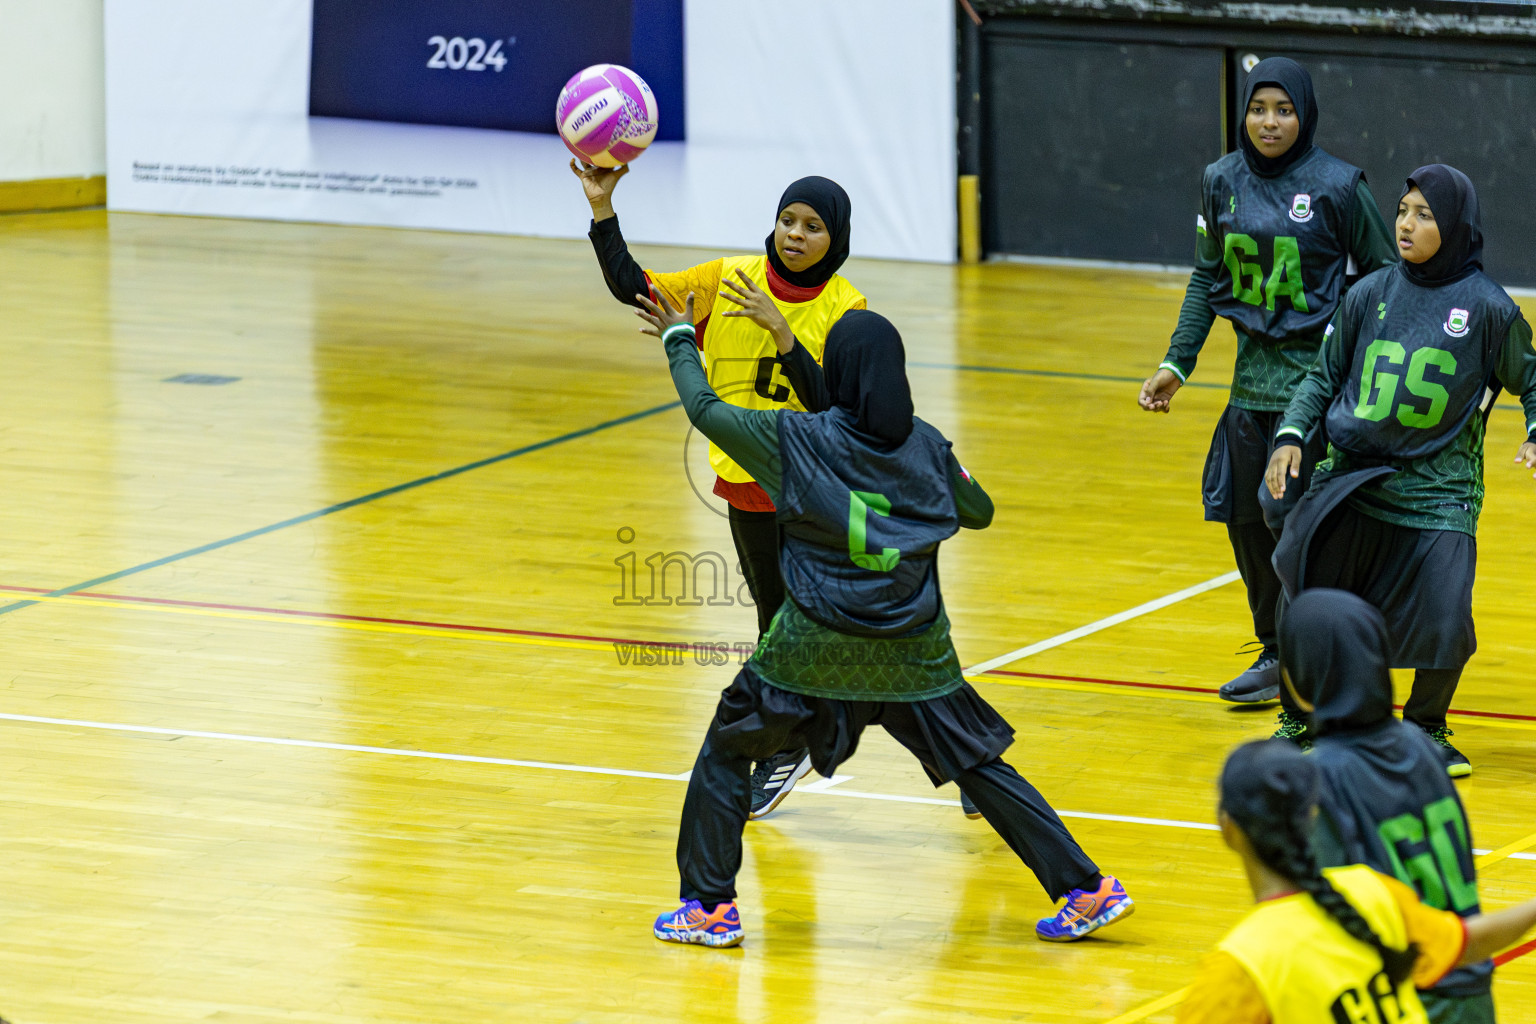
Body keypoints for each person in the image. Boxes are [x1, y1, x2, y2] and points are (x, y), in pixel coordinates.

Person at [635, 293, 1132, 948]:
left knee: (728, 751)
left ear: (836, 373)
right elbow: (977, 511)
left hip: (812, 651)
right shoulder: (927, 444)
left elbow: (704, 410)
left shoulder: (796, 439)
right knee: (980, 767)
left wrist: (678, 337)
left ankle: (707, 908)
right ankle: (1085, 888)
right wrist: (947, 464)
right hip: (913, 651)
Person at [576, 161, 865, 816]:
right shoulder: (724, 280)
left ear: (835, 238)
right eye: (787, 220)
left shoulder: (848, 310)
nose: (794, 234)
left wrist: (783, 333)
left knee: (831, 628)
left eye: (812, 226)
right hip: (744, 489)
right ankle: (810, 744)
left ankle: (937, 752)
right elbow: (635, 289)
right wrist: (602, 210)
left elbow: (839, 407)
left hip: (813, 490)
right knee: (780, 623)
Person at [1137, 57, 1397, 703]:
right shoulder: (1220, 179)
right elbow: (1207, 278)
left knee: (1301, 530)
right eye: (1259, 109)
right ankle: (1277, 651)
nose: (1270, 122)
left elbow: (1382, 275)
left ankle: (1324, 657)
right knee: (1244, 523)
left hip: (1317, 391)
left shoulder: (1339, 185)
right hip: (1248, 386)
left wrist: (1350, 356)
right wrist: (1177, 362)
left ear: (1304, 114)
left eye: (1283, 110)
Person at [1266, 164, 1536, 774]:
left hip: (1439, 492)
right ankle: (1300, 715)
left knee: (1446, 617)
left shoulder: (1490, 310)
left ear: (1457, 227)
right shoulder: (1369, 293)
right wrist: (1290, 436)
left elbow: (1534, 377)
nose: (1406, 224)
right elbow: (1323, 376)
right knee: (1305, 593)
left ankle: (1427, 727)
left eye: (1424, 215)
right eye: (1403, 211)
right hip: (1354, 478)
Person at [1177, 738, 1536, 1023]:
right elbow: (1470, 943)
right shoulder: (1374, 891)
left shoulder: (1239, 968)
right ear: (1313, 812)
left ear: (1228, 828)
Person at [1281, 589, 1494, 1022]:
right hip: (1469, 982)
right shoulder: (1423, 747)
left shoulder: (1323, 777)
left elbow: (1325, 913)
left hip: (1400, 998)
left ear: (1300, 676)